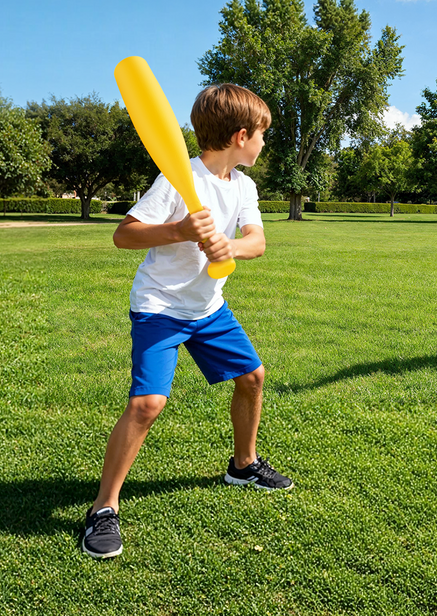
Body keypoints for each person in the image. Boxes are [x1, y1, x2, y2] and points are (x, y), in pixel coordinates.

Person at [82, 83, 293, 560]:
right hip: (161, 307)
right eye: (263, 134)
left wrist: (230, 246)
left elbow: (256, 241)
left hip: (208, 307)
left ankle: (243, 465)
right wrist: (177, 230)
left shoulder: (243, 185)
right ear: (242, 136)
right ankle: (103, 508)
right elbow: (125, 235)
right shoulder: (179, 179)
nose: (264, 143)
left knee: (252, 377)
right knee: (148, 404)